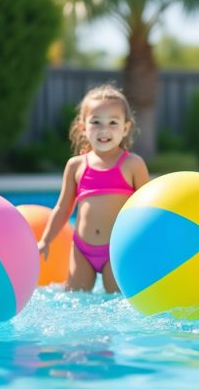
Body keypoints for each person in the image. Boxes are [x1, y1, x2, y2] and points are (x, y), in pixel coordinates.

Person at [38, 84, 149, 293]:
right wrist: (45, 240)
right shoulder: (76, 165)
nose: (104, 129)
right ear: (83, 127)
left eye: (113, 122)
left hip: (117, 249)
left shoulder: (133, 164)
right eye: (96, 122)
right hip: (82, 249)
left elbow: (148, 209)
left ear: (126, 128)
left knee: (117, 301)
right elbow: (63, 208)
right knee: (74, 300)